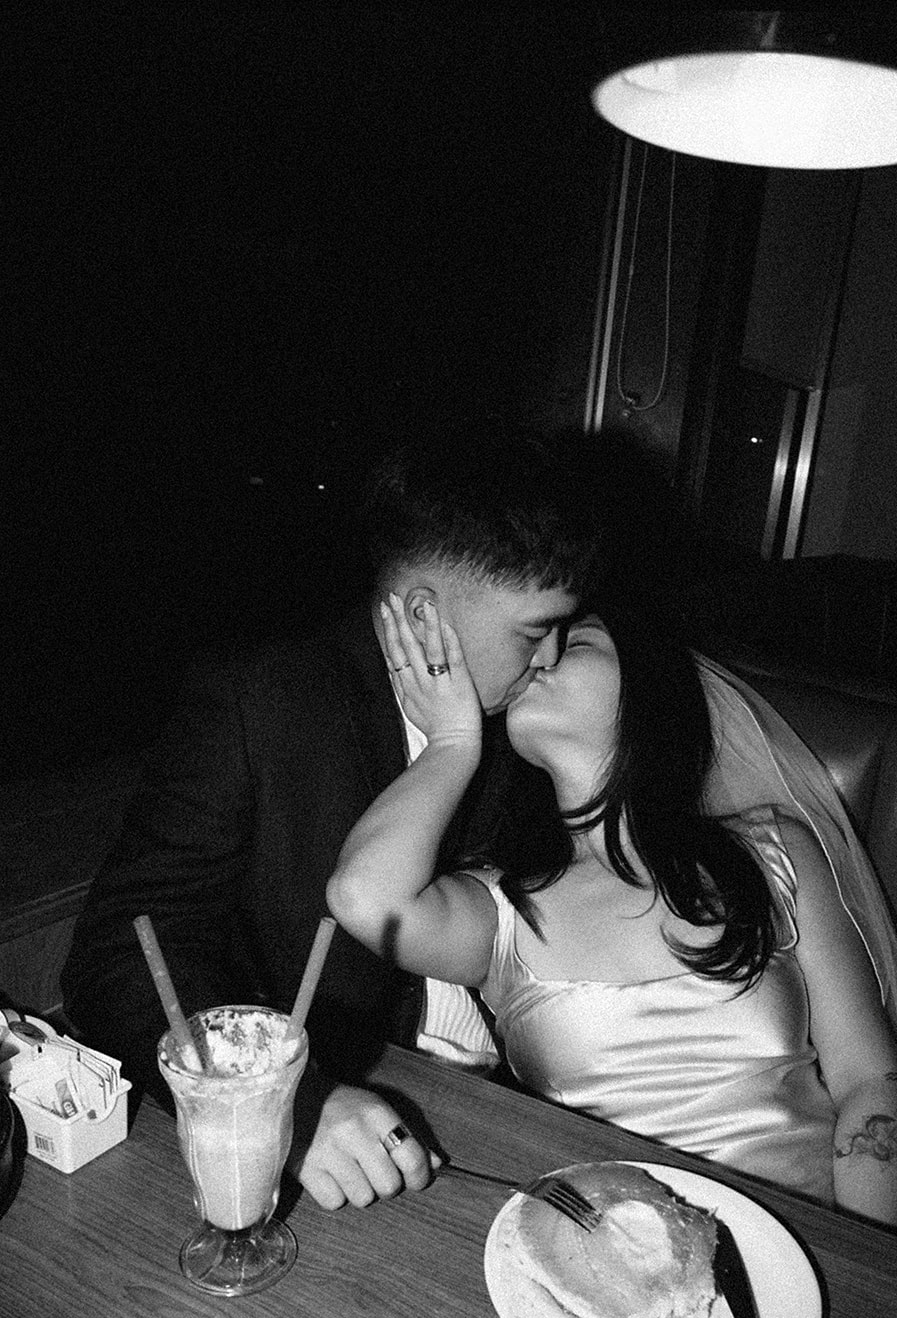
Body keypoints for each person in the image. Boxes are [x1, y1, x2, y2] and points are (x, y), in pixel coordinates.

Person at [326, 591, 897, 1247]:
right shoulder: (496, 905)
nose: (539, 658)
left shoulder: (772, 853)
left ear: (648, 692)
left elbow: (867, 1080)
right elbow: (364, 898)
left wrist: (864, 1264)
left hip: (815, 1237)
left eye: (577, 640)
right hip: (616, 1257)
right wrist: (450, 741)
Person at [60, 418, 600, 1212]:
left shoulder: (534, 718)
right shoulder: (262, 701)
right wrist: (288, 1100)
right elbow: (119, 951)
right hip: (338, 1124)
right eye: (534, 631)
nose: (553, 657)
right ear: (424, 618)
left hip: (522, 1113)